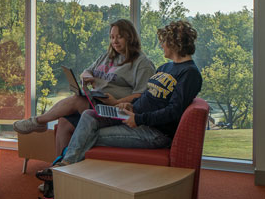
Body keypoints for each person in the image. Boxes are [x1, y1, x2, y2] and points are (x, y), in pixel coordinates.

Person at [38, 20, 202, 177]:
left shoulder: (189, 73)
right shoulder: (166, 67)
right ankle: (63, 171)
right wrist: (128, 105)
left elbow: (174, 111)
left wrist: (138, 118)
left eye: (164, 41)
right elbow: (148, 95)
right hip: (133, 115)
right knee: (89, 115)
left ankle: (61, 172)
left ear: (174, 43)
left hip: (153, 131)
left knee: (87, 134)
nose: (161, 45)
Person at [14, 19, 155, 156]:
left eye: (119, 37)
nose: (114, 41)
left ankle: (37, 122)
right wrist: (87, 76)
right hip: (96, 101)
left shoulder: (142, 63)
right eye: (112, 37)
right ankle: (58, 171)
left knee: (77, 100)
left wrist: (116, 102)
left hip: (116, 110)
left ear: (130, 38)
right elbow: (87, 71)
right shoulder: (108, 56)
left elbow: (142, 95)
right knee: (64, 122)